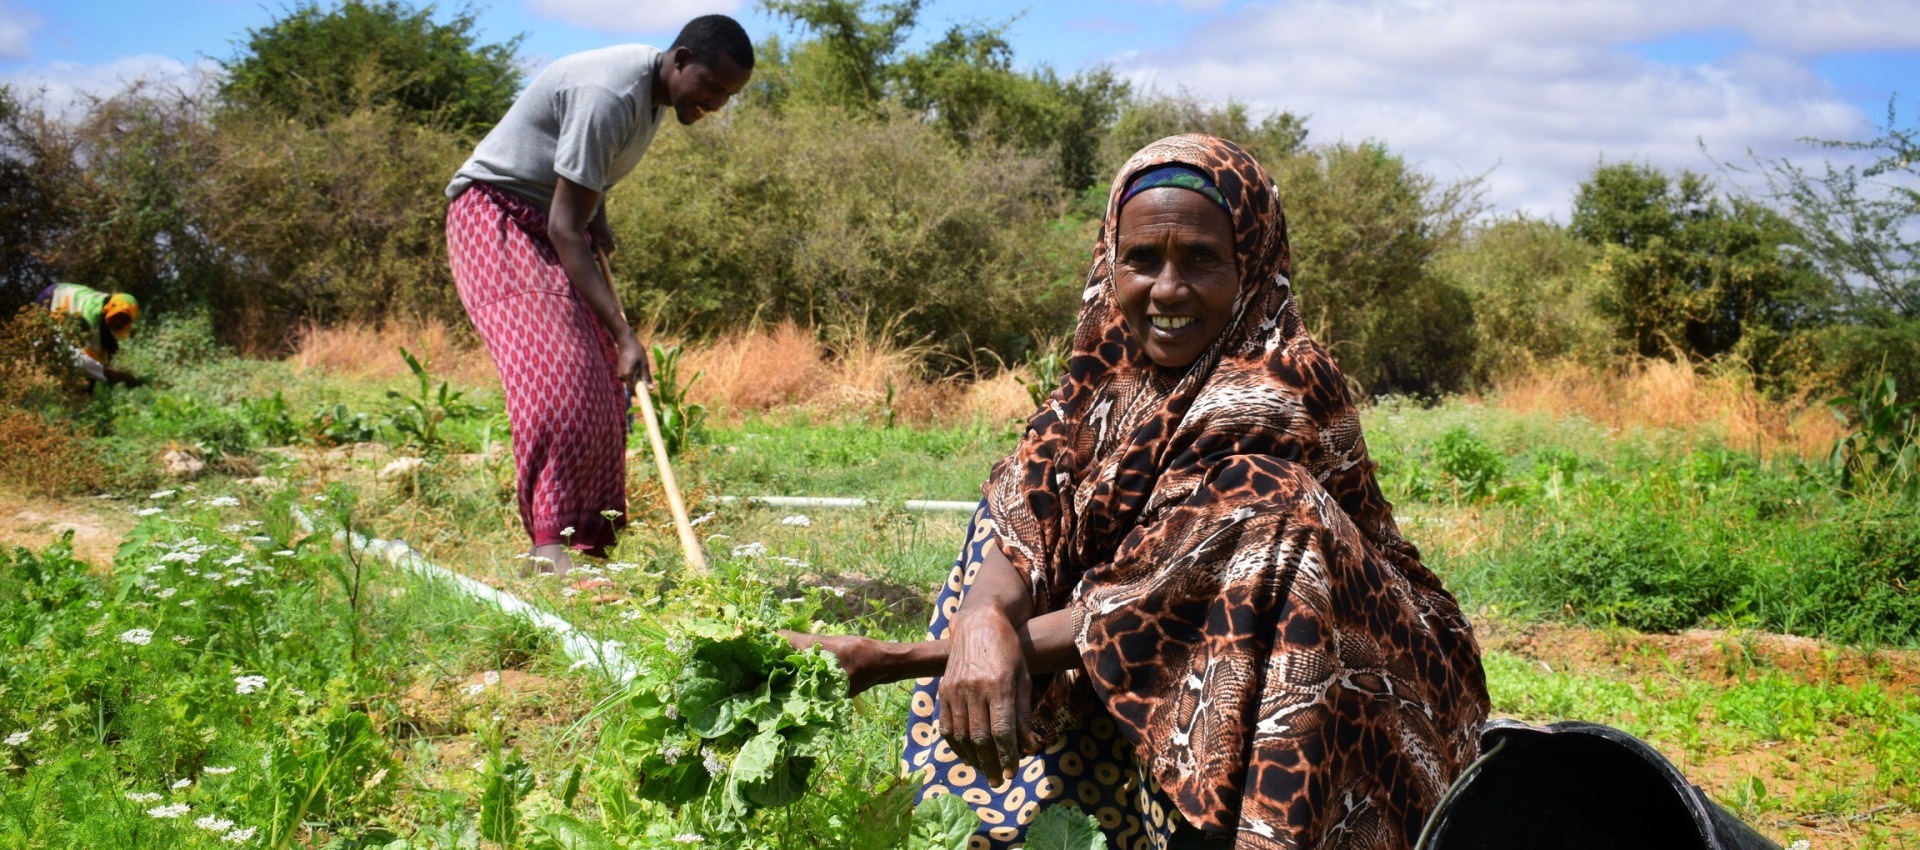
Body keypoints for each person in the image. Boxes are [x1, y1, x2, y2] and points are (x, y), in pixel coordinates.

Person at [792, 135, 1490, 849]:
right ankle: (1027, 820)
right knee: (1021, 507)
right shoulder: (1107, 370)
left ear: (1250, 265)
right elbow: (1027, 507)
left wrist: (897, 658)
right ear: (1109, 262)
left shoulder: (1279, 380)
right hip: (1165, 630)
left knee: (1270, 508)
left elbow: (1161, 589)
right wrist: (978, 623)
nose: (1167, 290)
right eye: (1142, 260)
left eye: (1201, 261)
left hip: (1359, 670)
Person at [443, 15, 753, 574]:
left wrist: (598, 214)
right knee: (554, 379)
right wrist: (624, 333)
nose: (714, 105)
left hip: (554, 222)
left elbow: (587, 170)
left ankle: (590, 543)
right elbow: (565, 227)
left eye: (726, 97)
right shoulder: (610, 92)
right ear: (680, 59)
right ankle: (548, 549)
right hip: (498, 219)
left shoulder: (655, 97)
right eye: (710, 87)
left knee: (603, 387)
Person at [37, 282, 142, 387]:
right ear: (109, 309)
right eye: (117, 317)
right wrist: (113, 375)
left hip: (66, 296)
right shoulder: (89, 320)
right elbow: (81, 359)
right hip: (52, 297)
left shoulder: (109, 304)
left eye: (124, 320)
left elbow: (105, 347)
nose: (118, 323)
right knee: (48, 346)